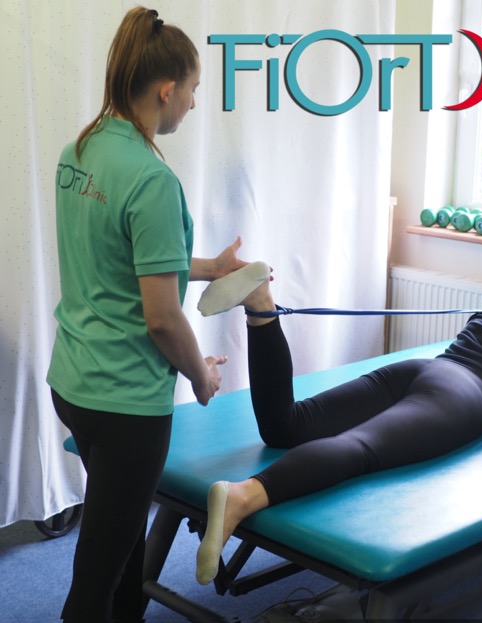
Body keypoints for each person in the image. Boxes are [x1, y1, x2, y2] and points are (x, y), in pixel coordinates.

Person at [195, 244, 482, 585]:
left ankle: (261, 307)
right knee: (360, 448)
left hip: (421, 370)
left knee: (287, 425)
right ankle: (242, 495)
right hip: (463, 397)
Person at [46, 8, 248, 622]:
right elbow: (162, 318)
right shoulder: (151, 179)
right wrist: (201, 376)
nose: (193, 102)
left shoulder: (80, 150)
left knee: (125, 540)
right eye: (192, 89)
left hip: (74, 383)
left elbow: (118, 256)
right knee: (97, 577)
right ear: (166, 89)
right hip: (125, 405)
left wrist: (210, 267)